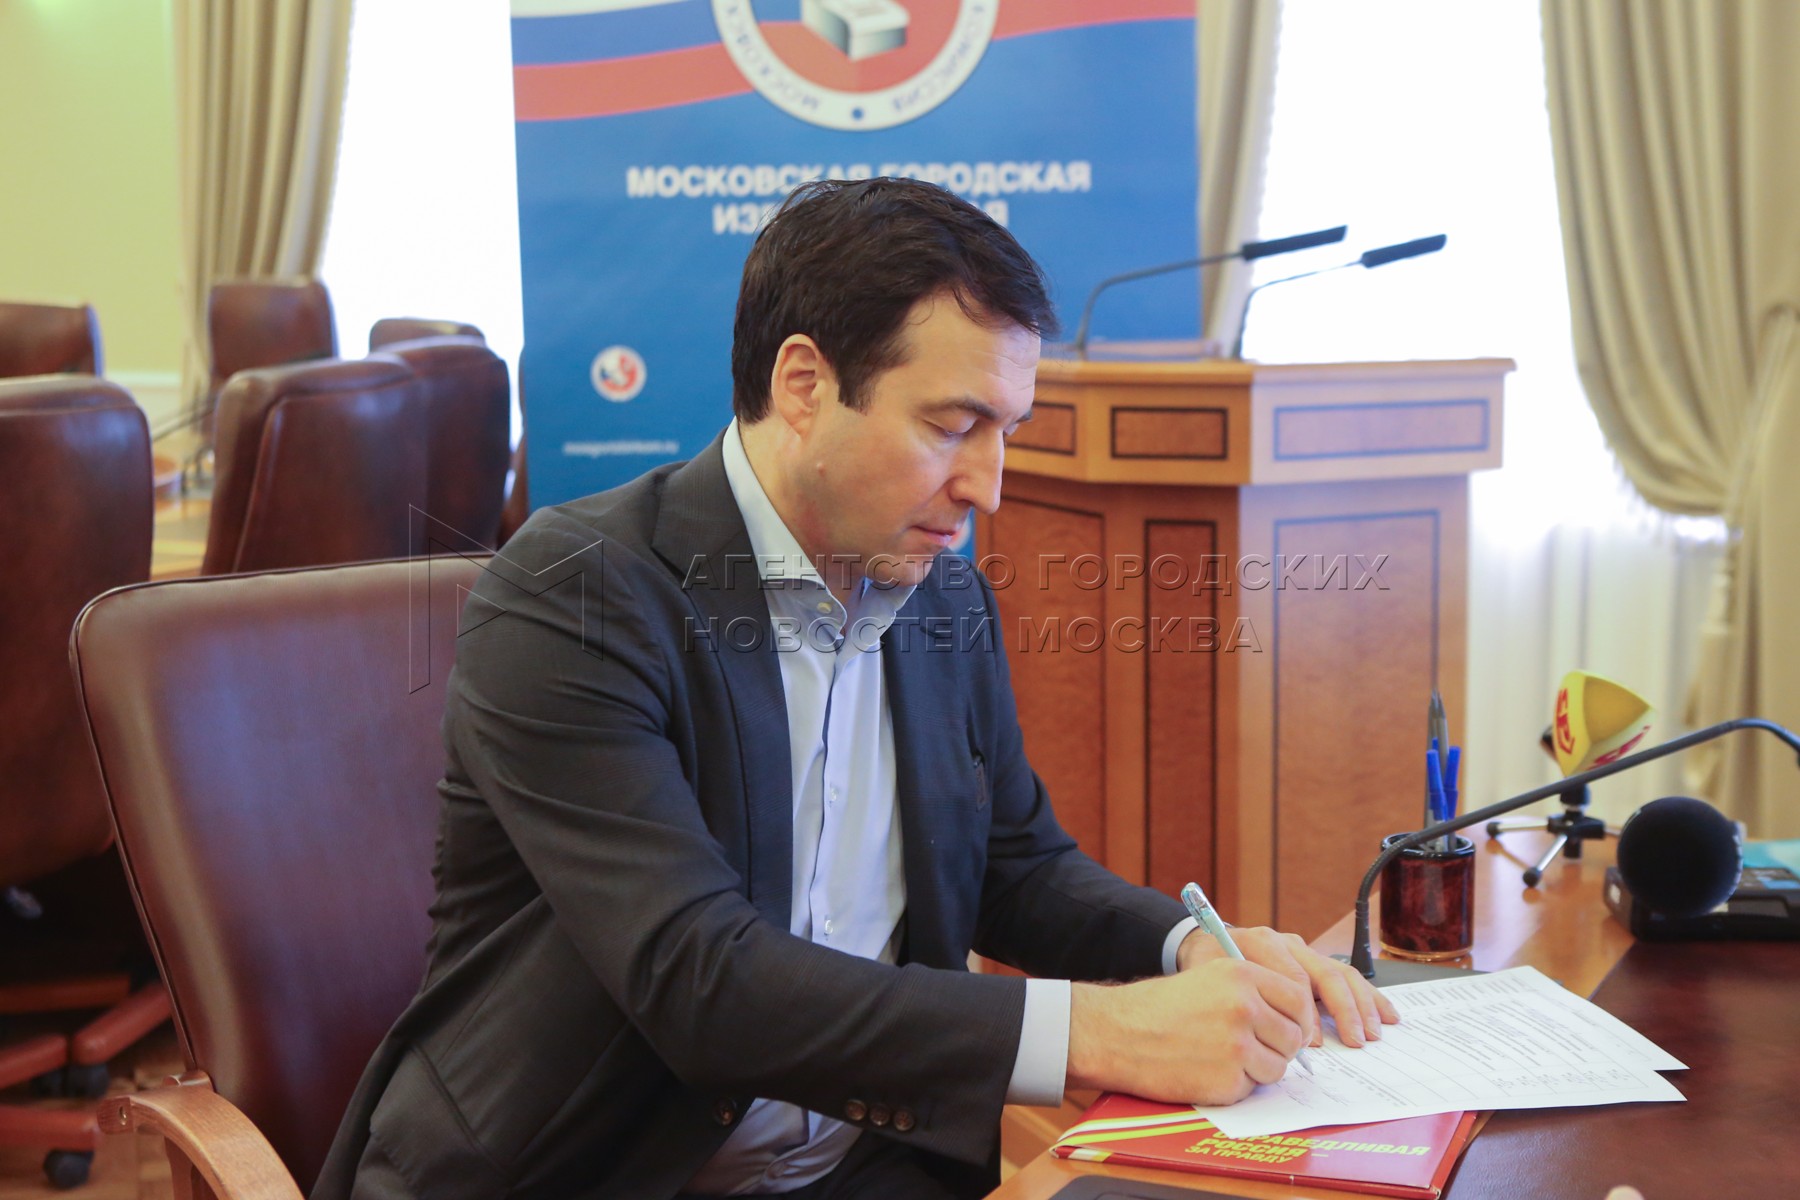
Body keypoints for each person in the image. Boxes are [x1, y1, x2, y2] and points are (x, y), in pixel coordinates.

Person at [315, 177, 1397, 1200]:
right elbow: (701, 981)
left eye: (1006, 433)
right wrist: (1106, 1034)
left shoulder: (941, 594)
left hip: (866, 1172)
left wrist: (1188, 945)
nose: (989, 487)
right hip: (584, 1174)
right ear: (804, 386)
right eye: (951, 426)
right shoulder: (573, 596)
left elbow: (1014, 866)